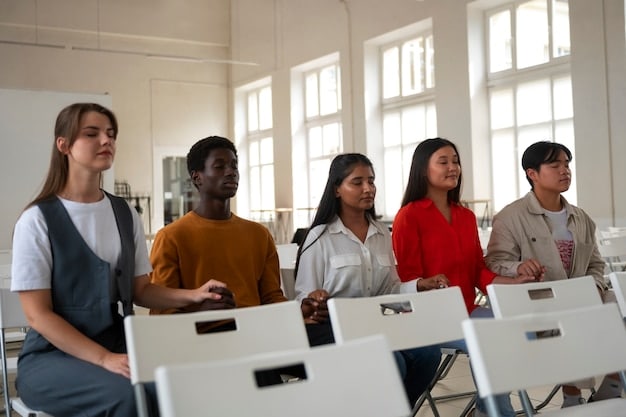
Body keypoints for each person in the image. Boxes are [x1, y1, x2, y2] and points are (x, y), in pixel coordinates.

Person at [10, 103, 231, 416]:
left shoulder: (124, 213)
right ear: (64, 145)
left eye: (111, 134)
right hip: (51, 358)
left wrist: (193, 295)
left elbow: (141, 289)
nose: (106, 141)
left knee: (186, 383)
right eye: (92, 134)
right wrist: (103, 358)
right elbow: (38, 317)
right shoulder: (36, 220)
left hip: (118, 343)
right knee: (128, 397)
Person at [391, 137, 536, 417]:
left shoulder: (465, 216)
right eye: (443, 162)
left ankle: (486, 410)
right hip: (430, 318)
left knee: (520, 330)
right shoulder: (409, 216)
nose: (453, 168)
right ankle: (496, 413)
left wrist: (513, 280)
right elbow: (408, 278)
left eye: (455, 161)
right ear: (423, 170)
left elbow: (477, 271)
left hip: (467, 311)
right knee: (492, 340)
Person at [294, 153, 442, 407]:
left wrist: (419, 284)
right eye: (357, 182)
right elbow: (302, 297)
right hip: (332, 327)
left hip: (374, 323)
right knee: (388, 360)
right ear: (337, 189)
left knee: (428, 354)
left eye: (371, 181)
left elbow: (390, 289)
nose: (368, 189)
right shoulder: (320, 236)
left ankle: (395, 410)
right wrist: (313, 299)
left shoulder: (381, 232)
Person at [484, 140, 621, 407]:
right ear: (532, 173)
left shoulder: (581, 218)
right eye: (555, 164)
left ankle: (613, 383)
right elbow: (496, 261)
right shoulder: (510, 217)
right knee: (574, 316)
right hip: (538, 302)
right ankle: (572, 396)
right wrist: (518, 267)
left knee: (618, 305)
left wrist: (595, 285)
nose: (564, 170)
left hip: (580, 298)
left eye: (567, 164)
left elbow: (595, 264)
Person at [149, 135, 287, 313]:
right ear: (197, 177)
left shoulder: (259, 234)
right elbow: (162, 311)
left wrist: (298, 313)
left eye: (234, 166)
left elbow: (272, 298)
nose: (231, 172)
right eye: (220, 166)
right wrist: (200, 311)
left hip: (255, 332)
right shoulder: (170, 237)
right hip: (199, 336)